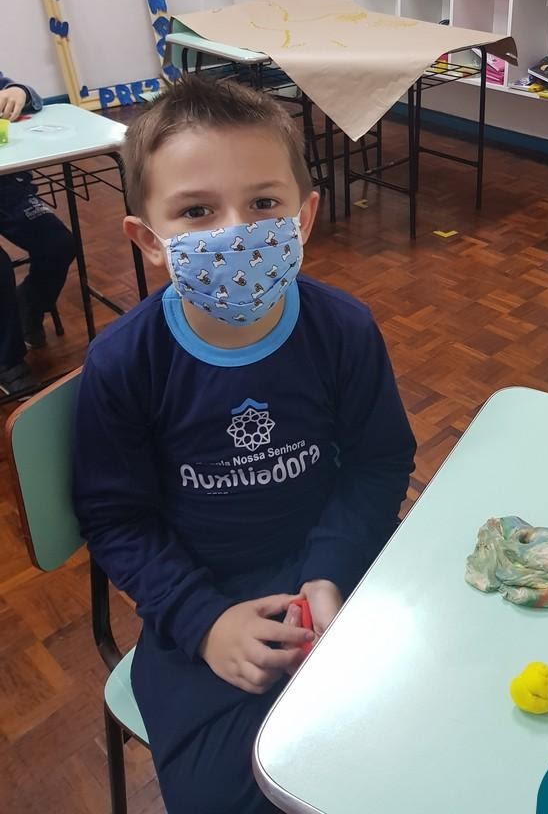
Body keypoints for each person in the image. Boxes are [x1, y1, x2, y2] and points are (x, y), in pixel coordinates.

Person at [72, 77, 416, 814]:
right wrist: (203, 622)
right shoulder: (124, 363)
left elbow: (379, 461)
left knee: (416, 738)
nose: (235, 231)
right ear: (149, 240)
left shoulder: (343, 330)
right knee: (228, 796)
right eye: (197, 211)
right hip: (201, 597)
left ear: (304, 216)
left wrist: (330, 571)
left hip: (342, 566)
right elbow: (116, 520)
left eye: (263, 203)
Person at [0, 72, 75, 395]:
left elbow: (24, 95)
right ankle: (7, 360)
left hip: (6, 187)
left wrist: (18, 91)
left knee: (58, 243)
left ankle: (29, 303)